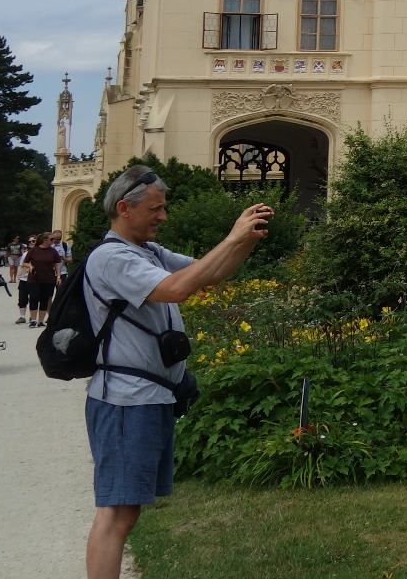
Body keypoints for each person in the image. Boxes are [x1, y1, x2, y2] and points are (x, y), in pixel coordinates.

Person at [81, 165, 271, 579]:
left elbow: (208, 274)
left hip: (148, 399)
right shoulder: (112, 257)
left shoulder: (148, 252)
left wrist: (245, 242)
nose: (163, 217)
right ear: (124, 208)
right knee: (116, 513)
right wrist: (232, 238)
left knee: (125, 512)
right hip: (125, 401)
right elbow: (178, 289)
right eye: (156, 209)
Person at [24, 234, 63, 328]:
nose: (53, 241)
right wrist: (30, 266)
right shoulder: (34, 250)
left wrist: (58, 276)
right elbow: (25, 262)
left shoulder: (53, 251)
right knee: (34, 297)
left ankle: (41, 320)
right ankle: (33, 320)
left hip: (48, 279)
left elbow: (57, 264)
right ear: (45, 240)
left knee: (45, 299)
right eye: (51, 239)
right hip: (34, 278)